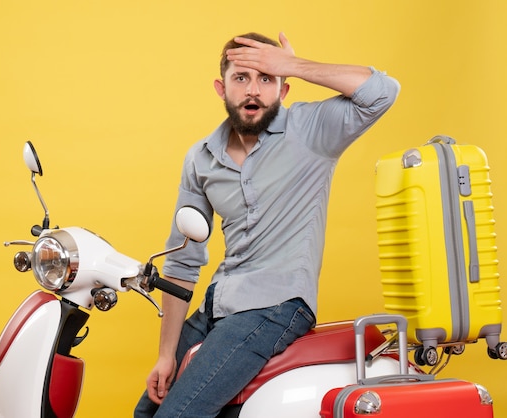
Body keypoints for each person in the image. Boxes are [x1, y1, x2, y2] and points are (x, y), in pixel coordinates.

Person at [134, 32, 400, 418]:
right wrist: (164, 355)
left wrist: (292, 63)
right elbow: (182, 263)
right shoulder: (201, 159)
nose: (253, 90)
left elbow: (383, 92)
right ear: (220, 88)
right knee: (145, 412)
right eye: (241, 78)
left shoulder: (311, 131)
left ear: (283, 88)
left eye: (266, 78)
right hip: (218, 303)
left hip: (277, 304)